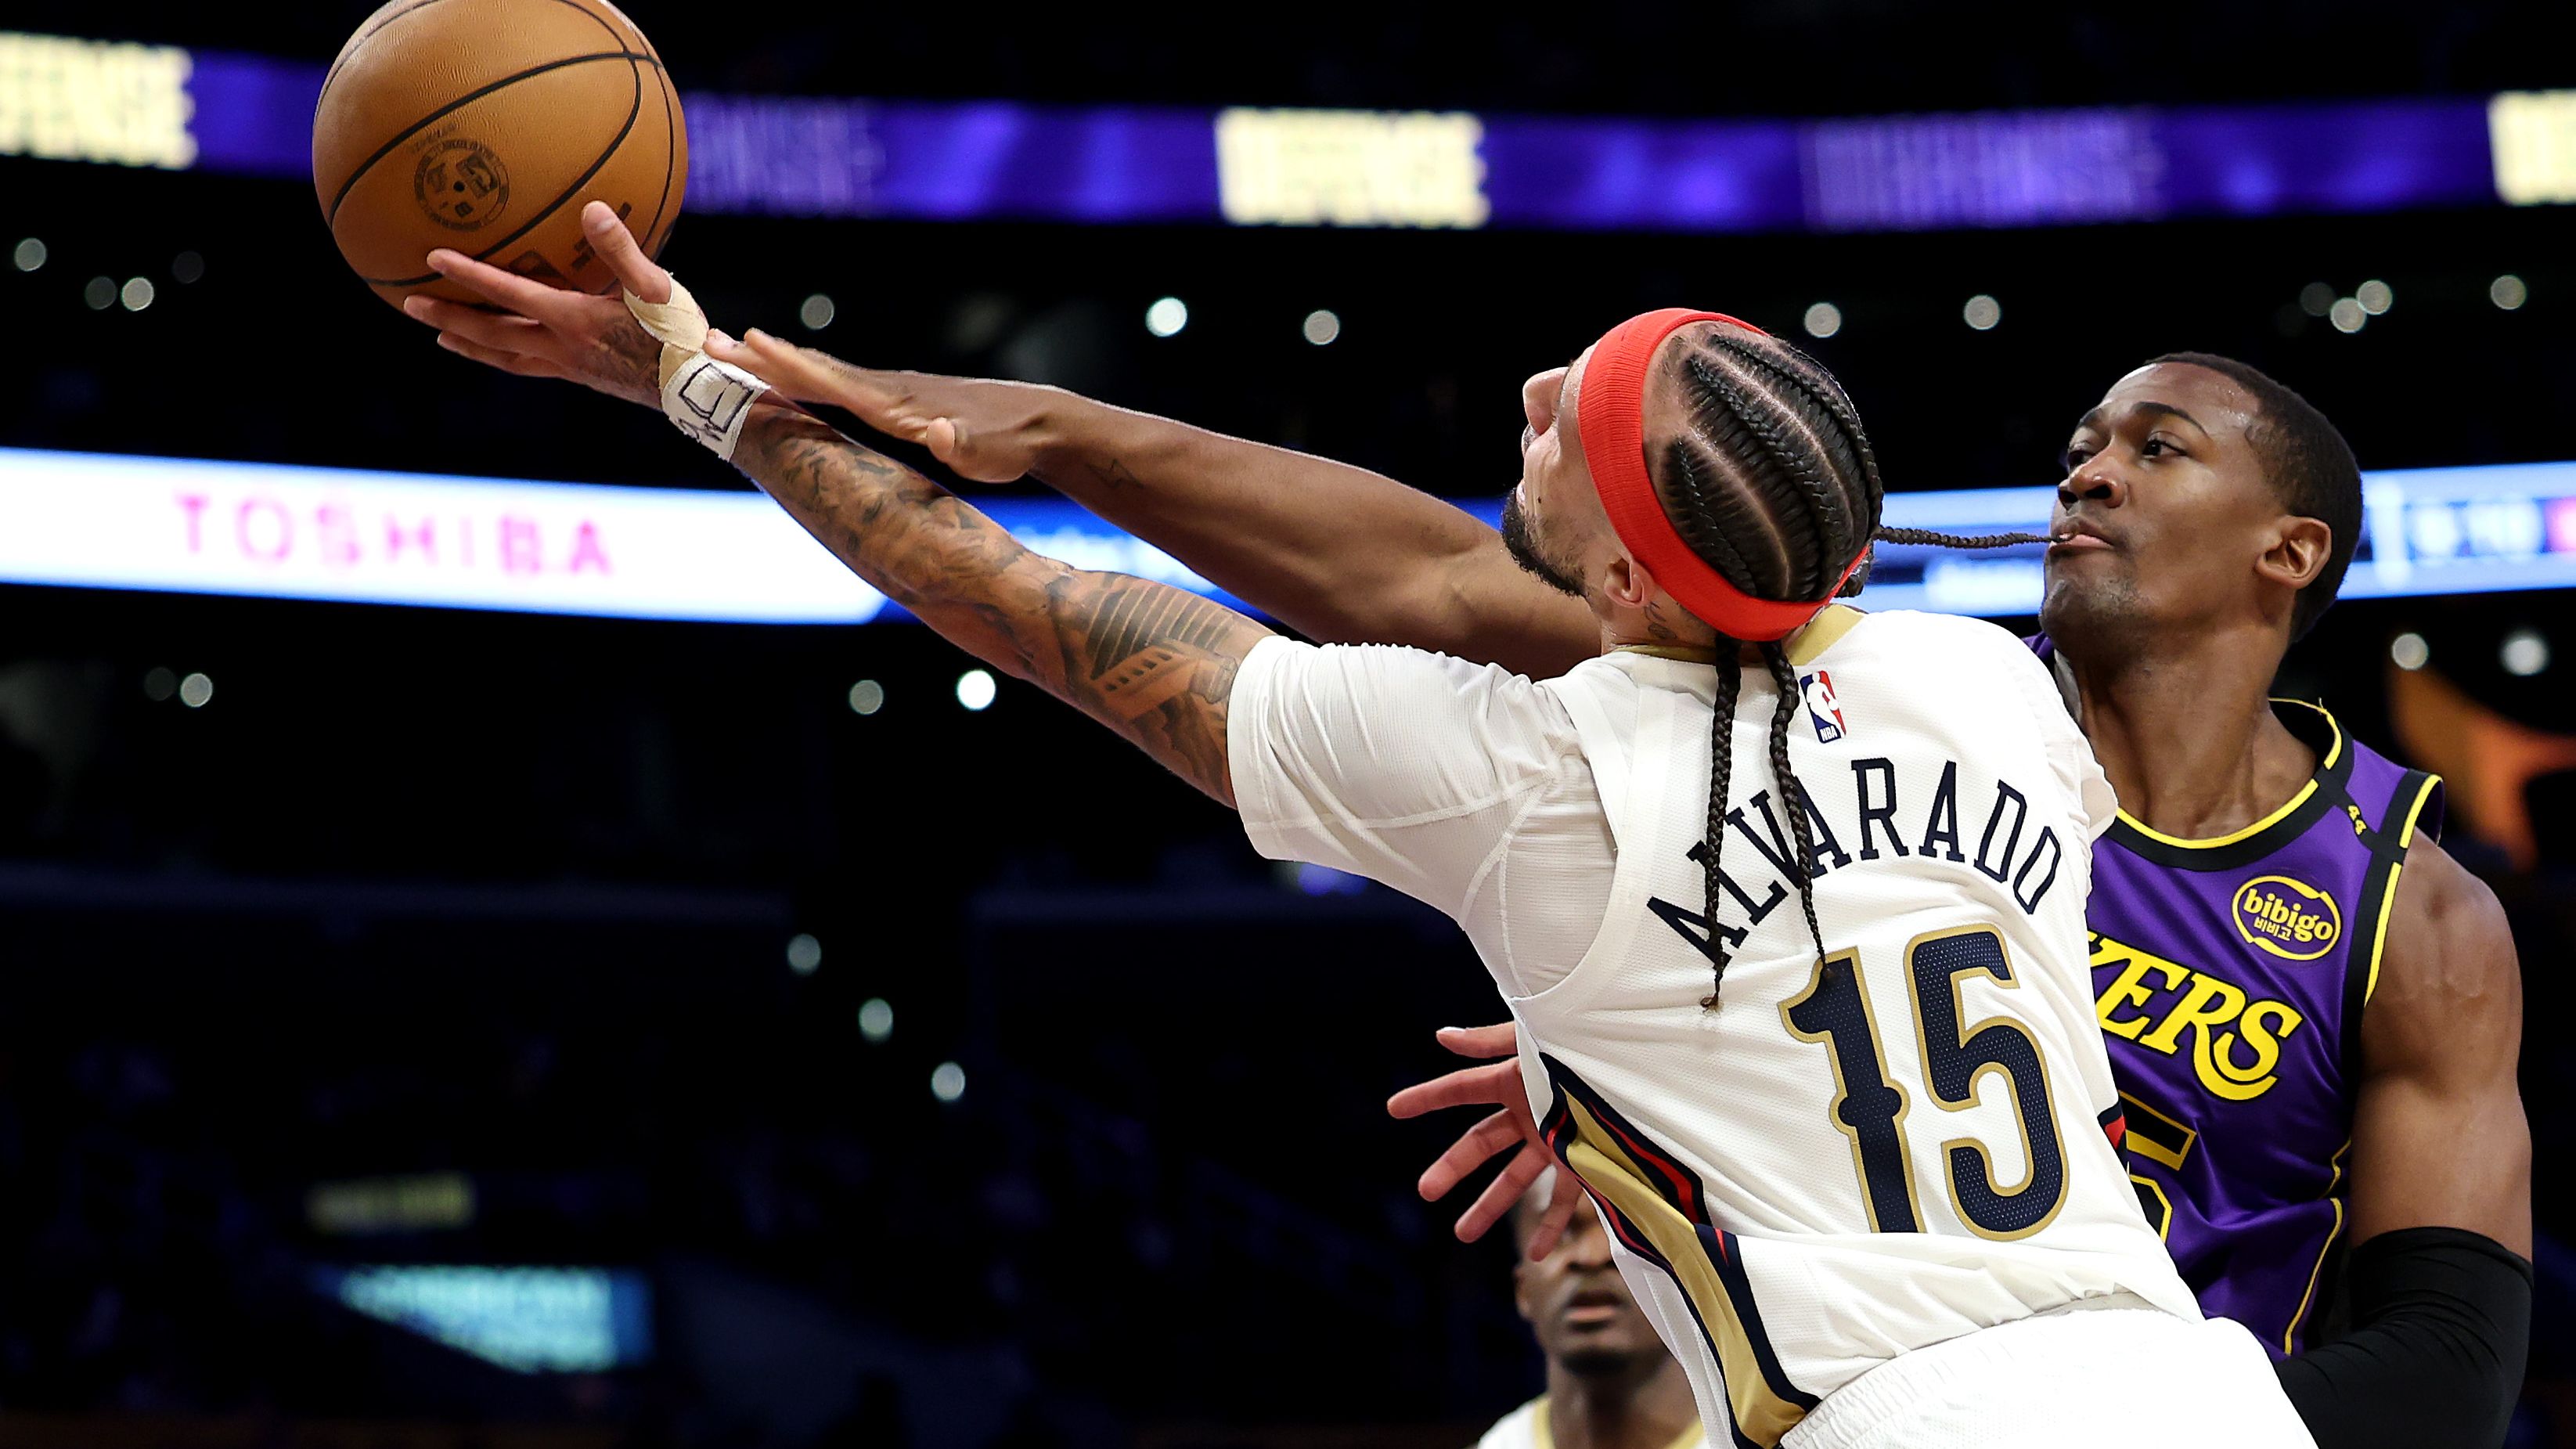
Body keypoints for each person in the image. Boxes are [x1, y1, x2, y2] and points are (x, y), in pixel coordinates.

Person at [403, 204, 2309, 1448]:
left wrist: (693, 377)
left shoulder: (1526, 784)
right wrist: (1626, 1036)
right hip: (2202, 1396)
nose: (1536, 390)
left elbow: (1009, 598)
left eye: (1575, 422)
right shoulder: (1984, 690)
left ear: (1636, 586)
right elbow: (1530, 605)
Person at [705, 319, 2534, 1448]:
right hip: (2102, 1396)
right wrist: (1637, 1039)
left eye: (2154, 445)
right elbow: (1451, 582)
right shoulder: (1964, 701)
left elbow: (2451, 1369)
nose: (2085, 467)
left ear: (2292, 548)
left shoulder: (2382, 902)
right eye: (2087, 436)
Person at [1473, 1167, 1702, 1449]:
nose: (1591, 1256)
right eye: (1556, 1231)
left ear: (1688, 1276)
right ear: (1523, 1290)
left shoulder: (1762, 1436)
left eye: (1626, 1230)